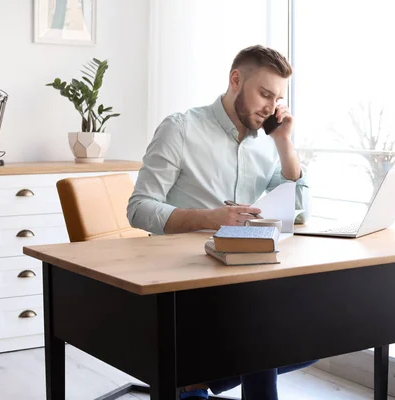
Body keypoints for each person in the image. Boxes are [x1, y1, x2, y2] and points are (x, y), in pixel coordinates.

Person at [127, 45, 314, 399]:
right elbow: (138, 208)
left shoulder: (265, 143)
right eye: (264, 94)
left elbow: (300, 208)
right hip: (182, 282)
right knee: (260, 337)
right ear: (236, 80)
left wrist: (285, 143)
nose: (271, 107)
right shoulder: (181, 128)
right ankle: (195, 379)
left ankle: (198, 380)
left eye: (277, 99)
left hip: (240, 276)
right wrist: (209, 218)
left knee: (315, 337)